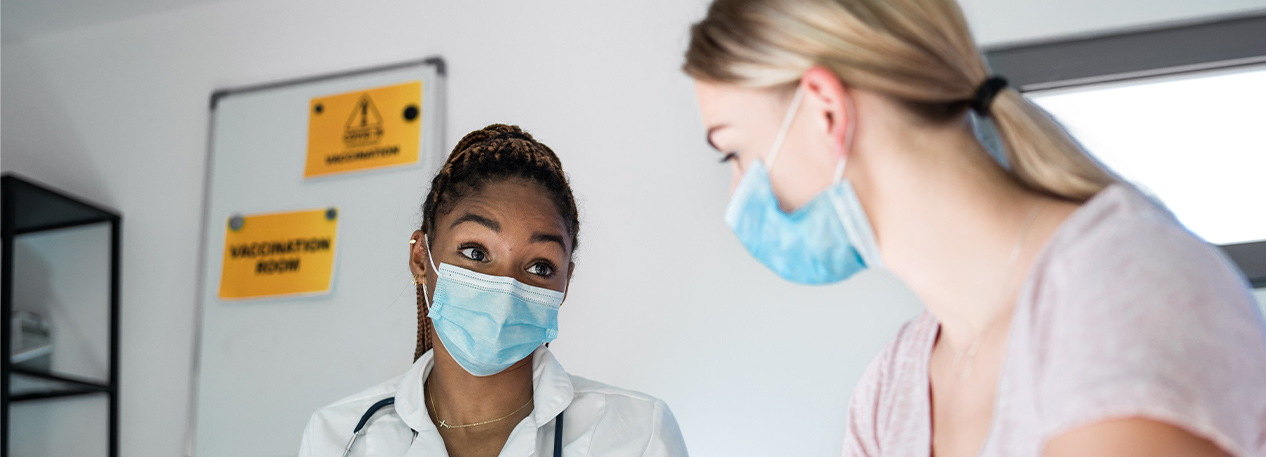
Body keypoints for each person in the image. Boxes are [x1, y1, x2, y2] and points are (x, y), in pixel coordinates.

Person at [682, 1, 1266, 456]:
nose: (738, 196)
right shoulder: (893, 384)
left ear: (825, 110)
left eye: (732, 153)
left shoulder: (1120, 292)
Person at [299, 124, 688, 457]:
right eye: (475, 252)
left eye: (540, 266)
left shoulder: (637, 434)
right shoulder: (341, 438)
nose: (506, 288)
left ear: (564, 283)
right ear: (421, 258)